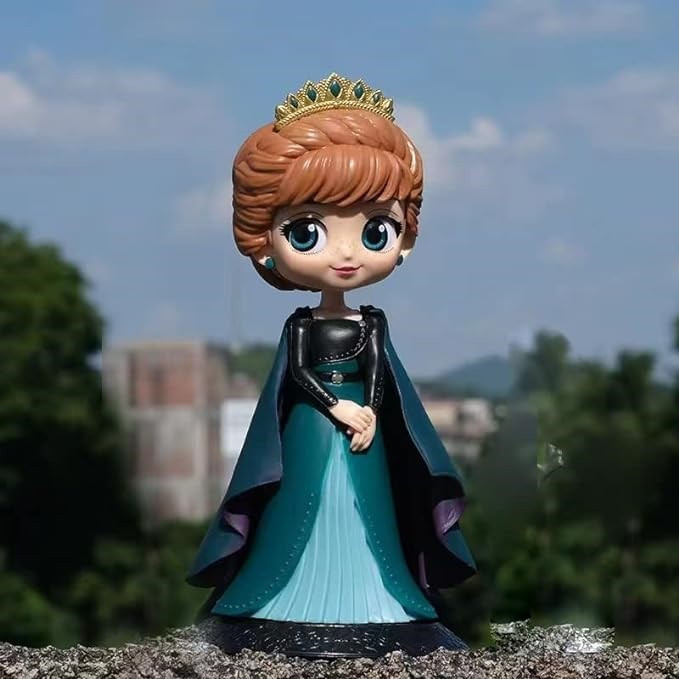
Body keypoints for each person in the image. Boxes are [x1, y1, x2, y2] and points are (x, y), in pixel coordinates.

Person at [187, 73, 477, 657]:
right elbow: (296, 375)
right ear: (265, 240)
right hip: (314, 427)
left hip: (363, 429)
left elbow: (381, 373)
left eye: (374, 230)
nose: (344, 253)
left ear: (404, 237)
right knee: (300, 507)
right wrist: (338, 407)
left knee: (370, 510)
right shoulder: (301, 325)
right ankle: (287, 597)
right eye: (308, 231)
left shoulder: (372, 322)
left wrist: (369, 410)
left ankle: (378, 597)